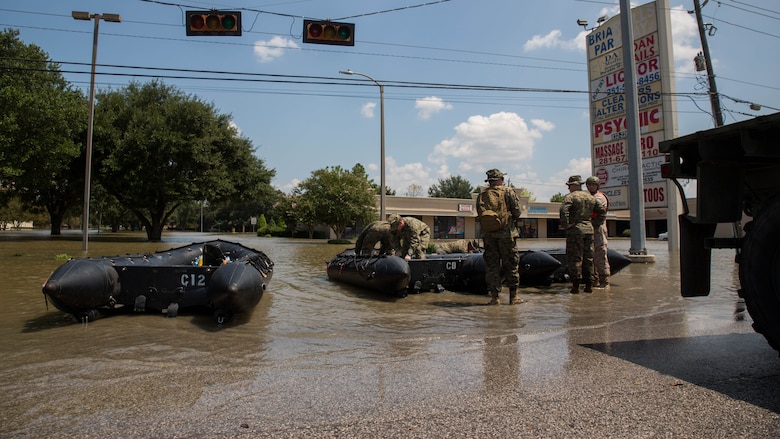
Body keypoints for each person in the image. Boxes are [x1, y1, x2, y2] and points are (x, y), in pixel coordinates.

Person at [477, 169, 523, 305]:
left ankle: (494, 298)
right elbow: (517, 212)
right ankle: (513, 297)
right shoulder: (508, 191)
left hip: (489, 235)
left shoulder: (482, 195)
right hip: (506, 235)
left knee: (492, 266)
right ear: (500, 179)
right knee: (511, 265)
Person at [559, 175, 606, 294]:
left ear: (574, 185)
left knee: (575, 258)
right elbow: (602, 211)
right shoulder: (590, 197)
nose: (569, 188)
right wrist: (594, 224)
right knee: (588, 258)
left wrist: (566, 224)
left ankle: (575, 286)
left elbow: (563, 211)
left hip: (575, 231)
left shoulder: (570, 197)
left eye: (570, 186)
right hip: (589, 230)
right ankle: (589, 285)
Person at [586, 176, 611, 288]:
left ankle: (604, 280)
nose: (591, 187)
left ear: (597, 186)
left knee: (600, 252)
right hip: (589, 227)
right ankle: (594, 279)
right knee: (590, 254)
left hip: (598, 227)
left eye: (593, 185)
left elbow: (594, 208)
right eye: (589, 185)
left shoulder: (600, 197)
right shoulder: (588, 197)